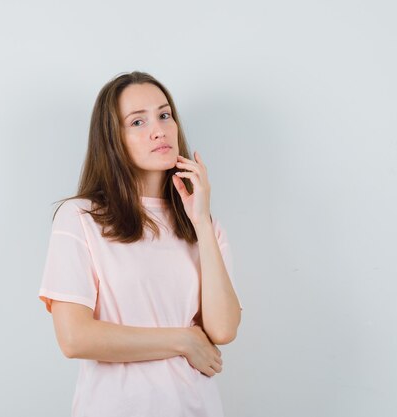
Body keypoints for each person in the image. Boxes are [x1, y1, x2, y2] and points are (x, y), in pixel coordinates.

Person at [38, 70, 243, 417]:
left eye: (165, 115)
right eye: (137, 122)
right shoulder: (81, 218)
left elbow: (222, 330)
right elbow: (74, 338)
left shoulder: (204, 226)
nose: (159, 129)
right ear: (112, 139)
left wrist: (202, 223)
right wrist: (183, 340)